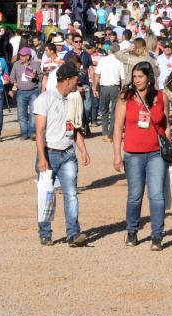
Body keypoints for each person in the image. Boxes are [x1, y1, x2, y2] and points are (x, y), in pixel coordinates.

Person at [113, 61, 170, 250]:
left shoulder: (161, 97)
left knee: (156, 195)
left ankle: (157, 235)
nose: (137, 80)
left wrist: (168, 150)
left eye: (140, 76)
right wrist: (116, 154)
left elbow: (166, 125)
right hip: (133, 153)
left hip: (156, 153)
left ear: (149, 78)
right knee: (135, 196)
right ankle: (132, 230)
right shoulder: (125, 97)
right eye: (134, 77)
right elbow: (117, 127)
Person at [34, 64, 92, 247]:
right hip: (49, 152)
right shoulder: (45, 99)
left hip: (68, 152)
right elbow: (40, 131)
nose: (78, 83)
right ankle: (45, 232)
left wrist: (83, 149)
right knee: (46, 194)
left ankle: (73, 234)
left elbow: (75, 127)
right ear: (67, 79)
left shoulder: (73, 99)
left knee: (71, 194)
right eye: (76, 79)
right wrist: (42, 158)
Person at [94, 43, 124, 141]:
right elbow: (122, 79)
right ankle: (111, 134)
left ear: (109, 51)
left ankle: (105, 133)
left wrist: (94, 88)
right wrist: (123, 90)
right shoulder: (120, 61)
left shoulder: (103, 60)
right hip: (115, 88)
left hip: (104, 88)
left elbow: (97, 75)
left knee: (104, 111)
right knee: (114, 111)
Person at [10, 47, 41, 140]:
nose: (21, 56)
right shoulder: (16, 65)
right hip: (21, 92)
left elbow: (41, 76)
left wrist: (35, 77)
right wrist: (14, 83)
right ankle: (24, 133)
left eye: (23, 55)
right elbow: (12, 77)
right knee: (21, 114)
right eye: (20, 55)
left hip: (33, 91)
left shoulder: (35, 65)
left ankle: (32, 132)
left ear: (28, 56)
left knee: (33, 113)